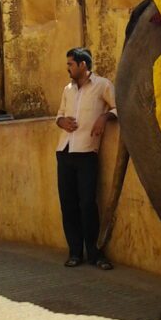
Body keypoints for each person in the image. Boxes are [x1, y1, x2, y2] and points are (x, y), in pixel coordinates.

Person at [55, 47, 116, 270]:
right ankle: (74, 252)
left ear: (83, 65)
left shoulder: (103, 85)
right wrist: (61, 122)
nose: (68, 68)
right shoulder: (67, 89)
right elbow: (59, 114)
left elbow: (119, 107)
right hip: (64, 151)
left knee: (88, 204)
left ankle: (95, 253)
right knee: (68, 204)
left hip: (87, 153)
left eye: (71, 64)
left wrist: (104, 116)